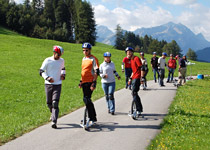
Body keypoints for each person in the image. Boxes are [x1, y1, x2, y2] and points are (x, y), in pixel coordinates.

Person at [39, 46, 66, 129]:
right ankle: (53, 113)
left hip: (58, 84)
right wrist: (47, 78)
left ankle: (54, 121)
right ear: (54, 53)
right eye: (58, 55)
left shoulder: (61, 60)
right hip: (48, 84)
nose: (59, 57)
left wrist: (63, 75)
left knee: (55, 103)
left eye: (60, 55)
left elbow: (63, 68)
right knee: (49, 103)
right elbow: (41, 71)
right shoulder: (48, 60)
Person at [79, 42, 99, 123]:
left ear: (90, 50)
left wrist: (94, 82)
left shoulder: (93, 59)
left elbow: (96, 71)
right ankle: (92, 116)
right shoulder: (83, 59)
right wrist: (80, 81)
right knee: (87, 99)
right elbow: (83, 71)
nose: (85, 52)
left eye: (86, 50)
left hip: (90, 81)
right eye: (83, 50)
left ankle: (92, 117)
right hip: (84, 81)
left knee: (86, 99)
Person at [126, 47, 143, 115]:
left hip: (137, 78)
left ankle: (138, 109)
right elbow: (133, 71)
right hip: (134, 78)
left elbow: (142, 68)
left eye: (130, 52)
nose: (128, 53)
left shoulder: (136, 58)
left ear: (132, 52)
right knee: (134, 93)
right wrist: (130, 79)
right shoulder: (132, 60)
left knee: (134, 92)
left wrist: (142, 78)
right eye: (127, 52)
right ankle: (139, 109)